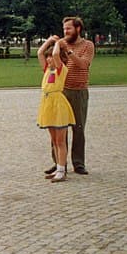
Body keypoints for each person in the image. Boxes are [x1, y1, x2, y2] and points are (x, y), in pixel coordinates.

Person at [44, 16, 96, 175]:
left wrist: (68, 50)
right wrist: (54, 45)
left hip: (79, 91)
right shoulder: (60, 45)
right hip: (62, 91)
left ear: (78, 29)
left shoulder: (88, 45)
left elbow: (83, 64)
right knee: (58, 128)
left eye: (69, 29)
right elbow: (49, 61)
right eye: (64, 29)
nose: (65, 32)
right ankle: (59, 163)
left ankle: (79, 163)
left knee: (78, 128)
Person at [37, 35, 75, 182]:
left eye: (51, 58)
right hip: (48, 104)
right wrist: (49, 41)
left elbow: (55, 54)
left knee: (60, 140)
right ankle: (59, 167)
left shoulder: (61, 69)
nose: (49, 59)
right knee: (54, 140)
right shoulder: (47, 69)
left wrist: (58, 43)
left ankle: (61, 169)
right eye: (48, 58)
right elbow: (40, 52)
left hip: (58, 104)